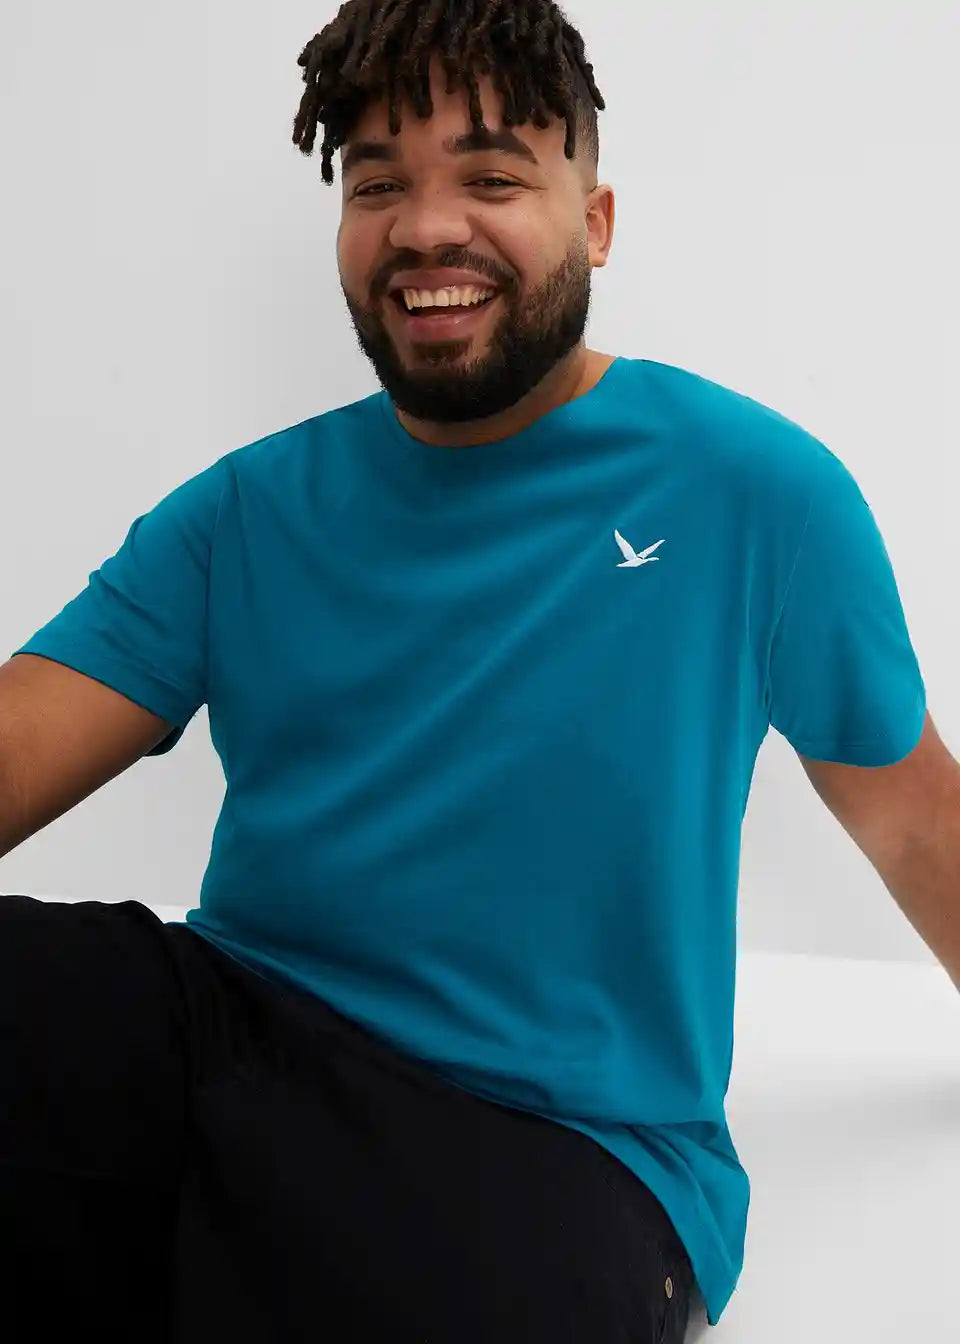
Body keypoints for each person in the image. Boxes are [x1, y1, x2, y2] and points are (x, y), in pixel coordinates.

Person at [0, 0, 926, 1340]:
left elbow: (919, 824)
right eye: (378, 184)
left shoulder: (756, 493)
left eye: (491, 177)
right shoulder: (245, 510)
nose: (425, 227)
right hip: (239, 1032)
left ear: (595, 223)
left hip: (558, 1143)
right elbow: (22, 737)